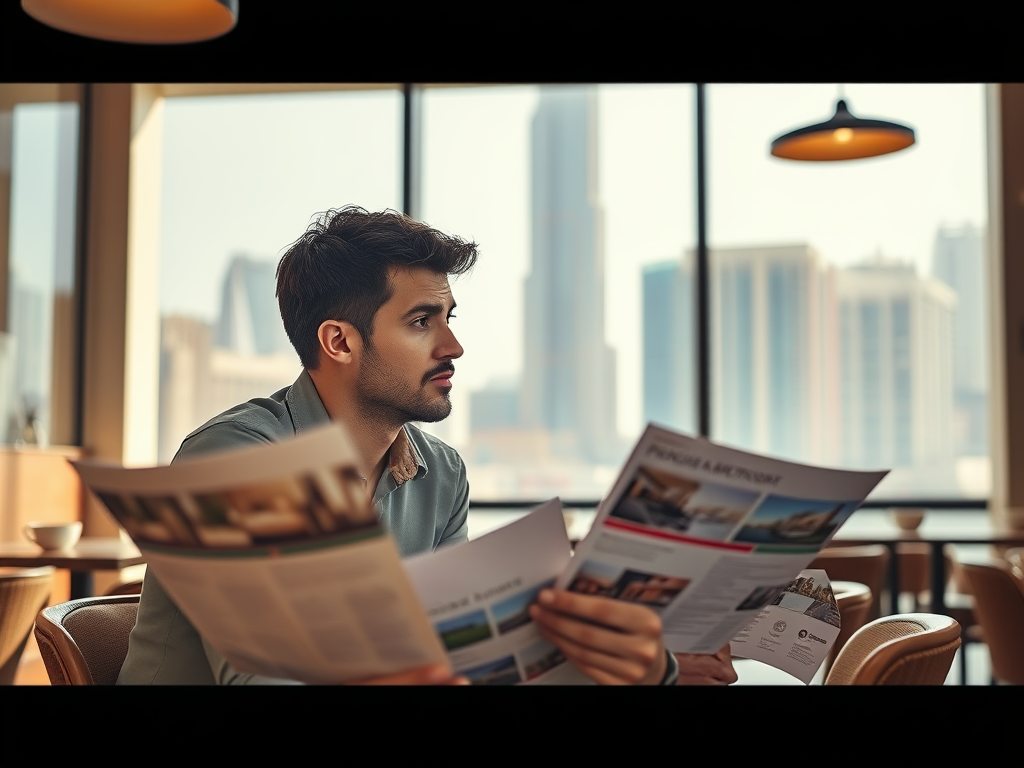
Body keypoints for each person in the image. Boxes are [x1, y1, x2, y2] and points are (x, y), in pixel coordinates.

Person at [117, 205, 736, 686]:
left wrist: (628, 662)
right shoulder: (236, 458)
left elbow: (462, 654)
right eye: (421, 321)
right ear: (338, 342)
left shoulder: (440, 473)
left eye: (450, 316)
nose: (453, 346)